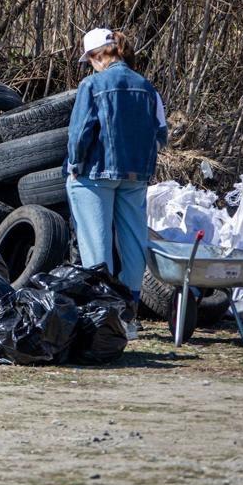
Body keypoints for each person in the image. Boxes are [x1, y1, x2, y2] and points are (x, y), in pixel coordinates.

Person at [65, 28, 168, 336]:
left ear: (97, 56)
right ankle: (129, 317)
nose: (90, 66)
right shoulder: (147, 87)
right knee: (134, 244)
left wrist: (74, 165)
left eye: (89, 60)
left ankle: (105, 317)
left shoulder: (92, 85)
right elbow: (161, 134)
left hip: (96, 174)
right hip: (137, 174)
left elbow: (80, 132)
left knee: (96, 245)